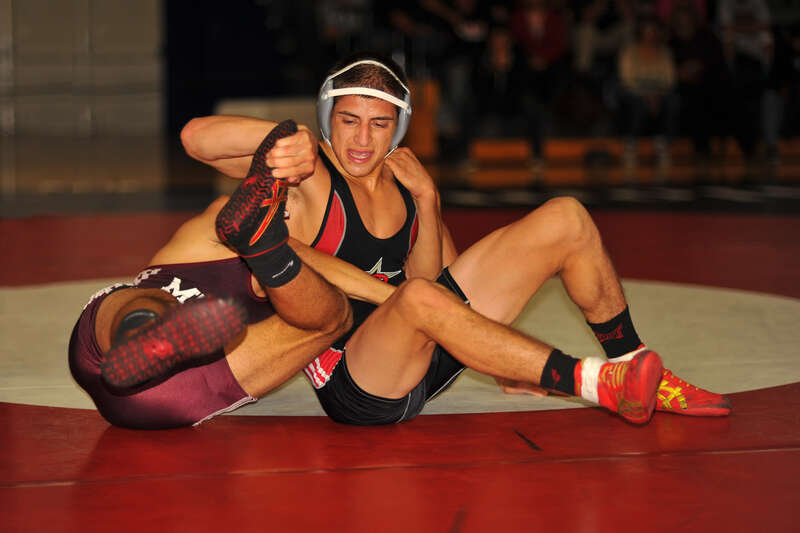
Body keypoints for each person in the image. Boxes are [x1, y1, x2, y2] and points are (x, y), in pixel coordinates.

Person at [181, 52, 732, 426]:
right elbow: (196, 137)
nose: (360, 139)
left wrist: (428, 203)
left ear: (397, 128)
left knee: (566, 216)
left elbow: (441, 291)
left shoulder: (407, 182)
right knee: (418, 300)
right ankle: (591, 381)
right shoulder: (306, 175)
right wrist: (281, 138)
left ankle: (636, 368)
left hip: (420, 349)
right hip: (357, 385)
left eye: (378, 125)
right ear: (328, 119)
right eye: (348, 121)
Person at [69, 121, 399, 430]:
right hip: (182, 392)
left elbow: (305, 257)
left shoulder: (290, 275)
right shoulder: (226, 219)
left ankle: (144, 331)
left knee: (145, 302)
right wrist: (291, 135)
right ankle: (147, 334)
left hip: (100, 345)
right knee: (335, 317)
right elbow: (195, 135)